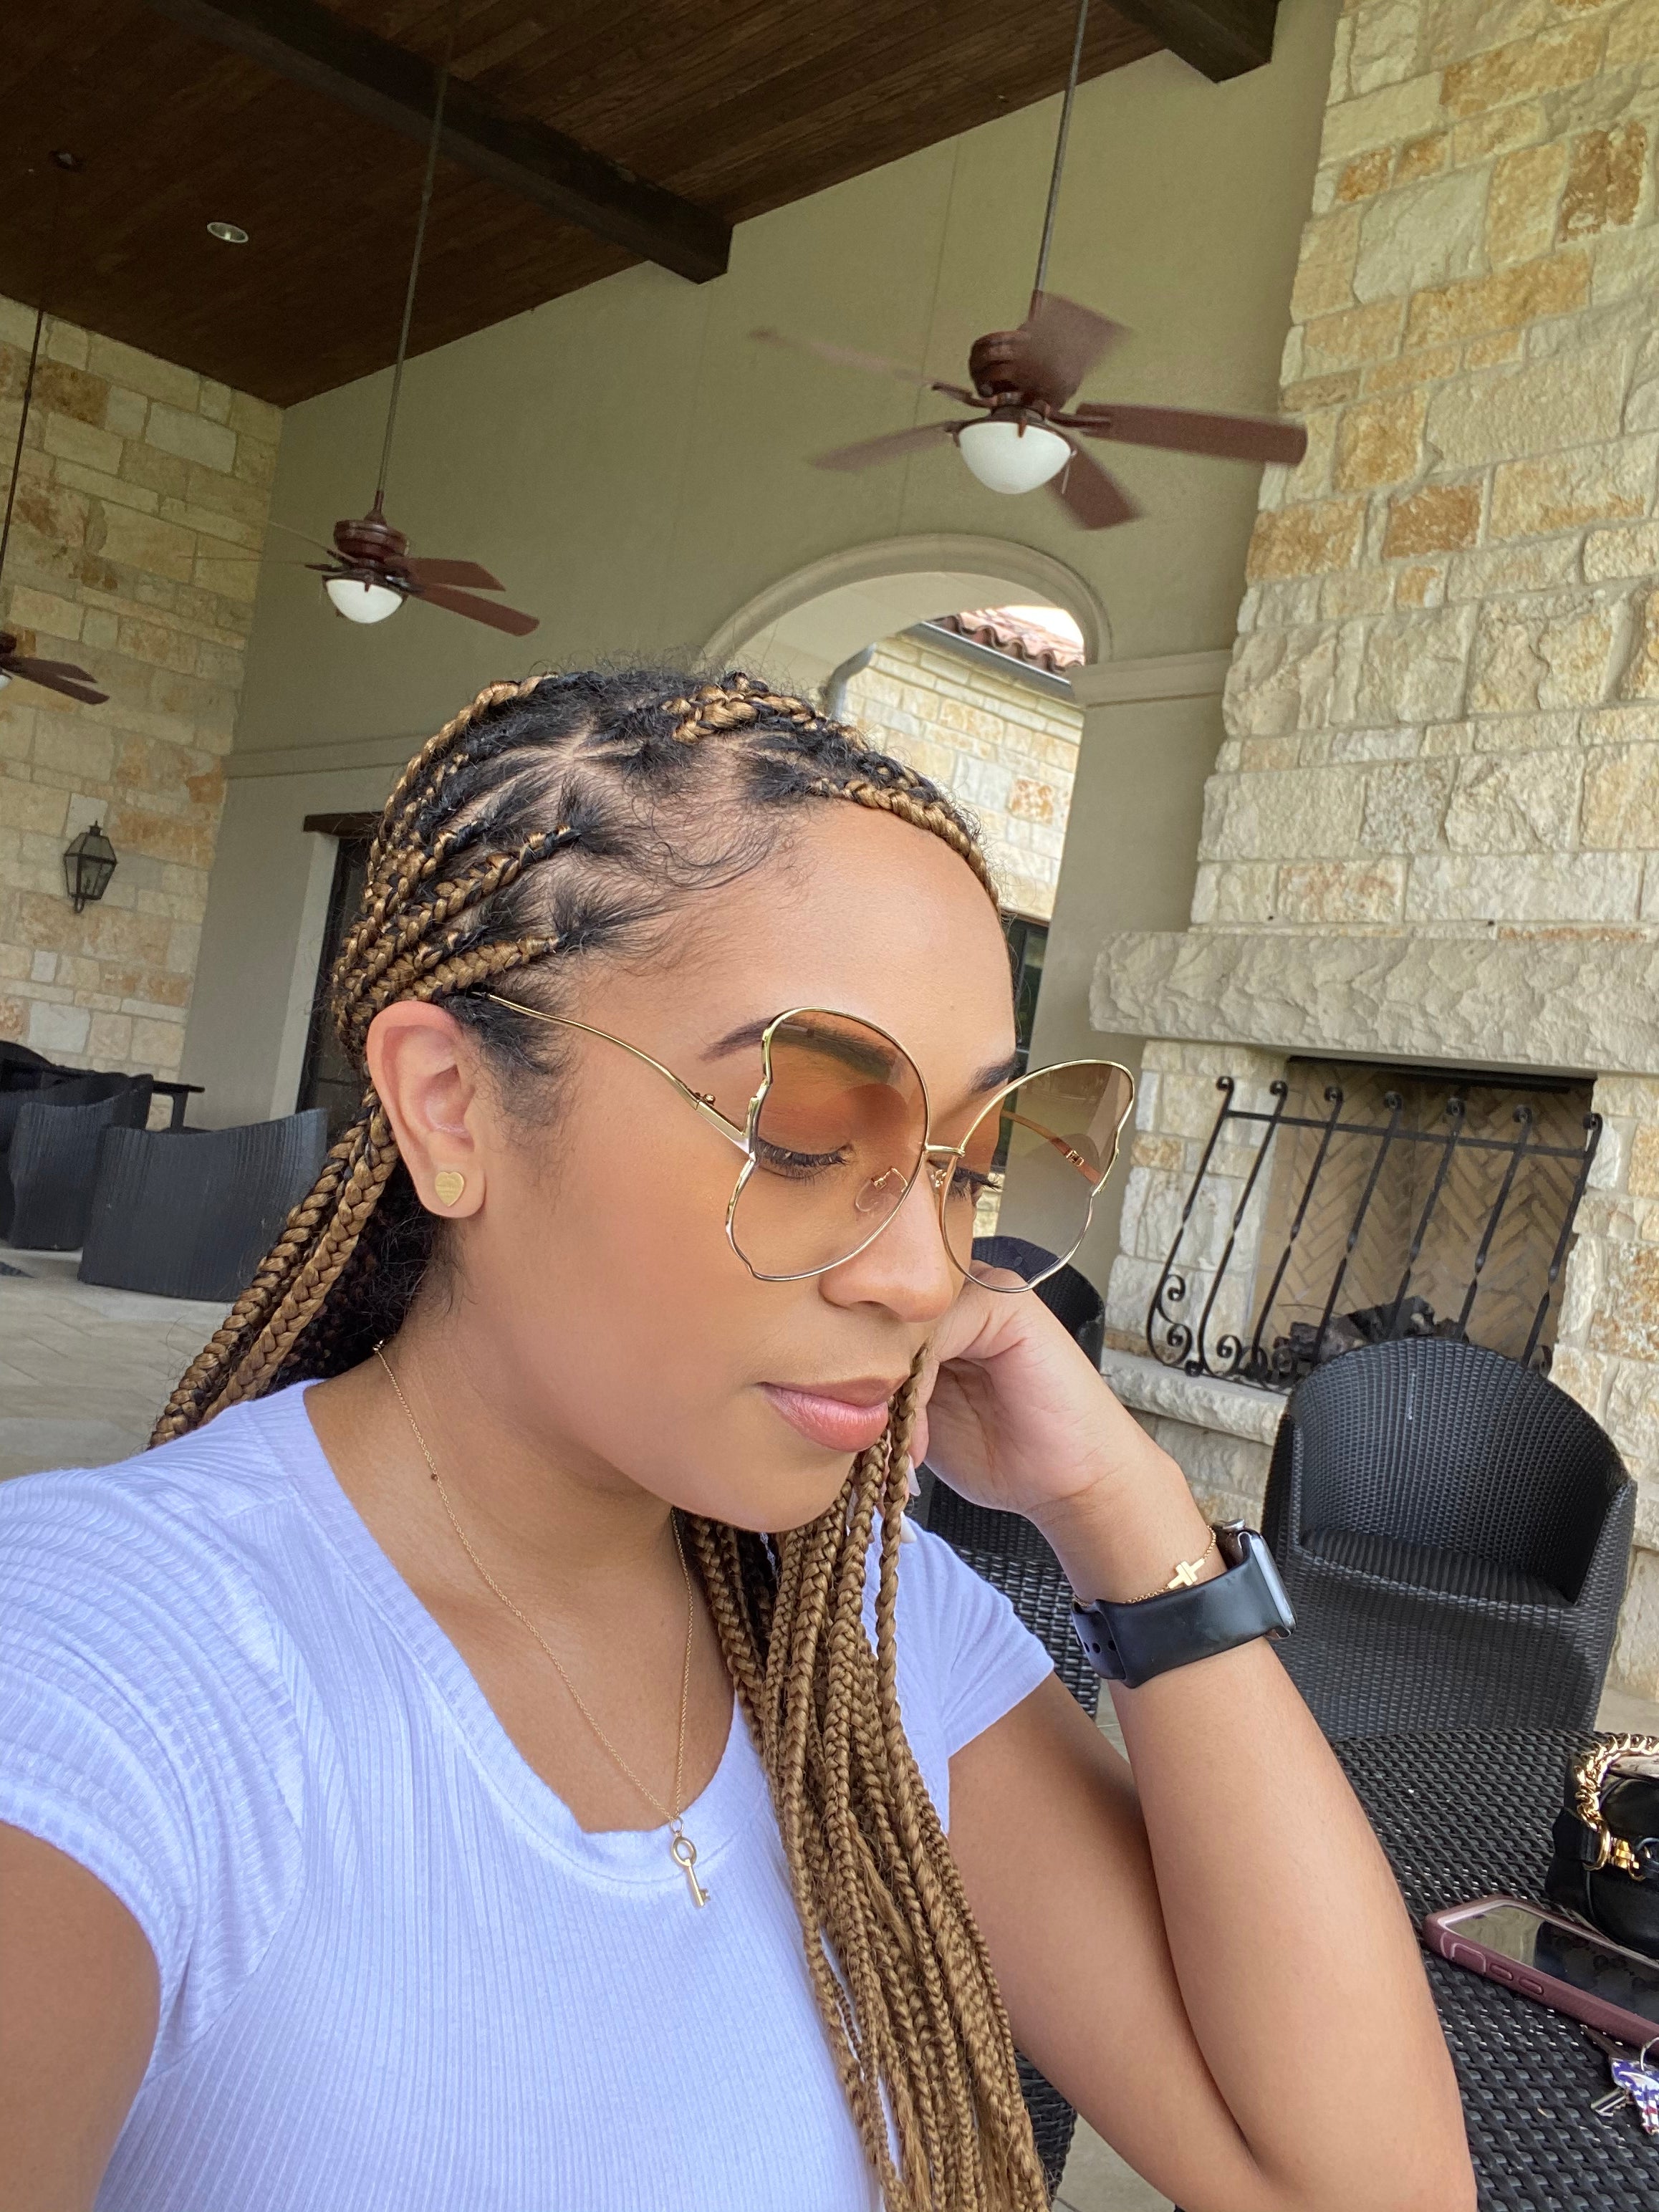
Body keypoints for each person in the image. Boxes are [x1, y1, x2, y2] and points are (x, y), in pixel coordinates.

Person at [0, 669, 1473, 2212]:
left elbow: (1364, 2189)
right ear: (449, 1106)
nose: (927, 1273)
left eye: (971, 1161)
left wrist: (1127, 1508)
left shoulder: (868, 1635)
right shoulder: (114, 1666)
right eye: (804, 1136)